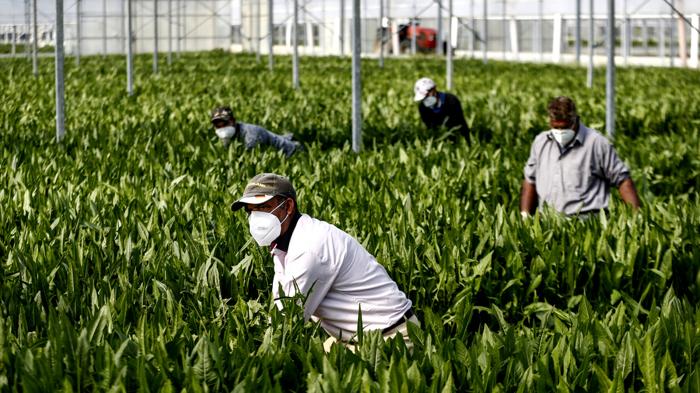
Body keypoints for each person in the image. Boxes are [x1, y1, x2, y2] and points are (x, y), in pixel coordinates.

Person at [231, 173, 419, 352]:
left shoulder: (309, 248)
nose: (255, 218)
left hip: (390, 337)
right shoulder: (288, 241)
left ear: (288, 206)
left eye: (263, 207)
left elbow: (287, 321)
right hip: (357, 336)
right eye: (251, 211)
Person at [520, 96, 641, 217]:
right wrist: (525, 215)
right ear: (550, 122)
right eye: (556, 127)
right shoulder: (541, 142)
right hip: (548, 221)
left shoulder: (596, 143)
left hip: (587, 221)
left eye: (565, 127)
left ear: (576, 120)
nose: (560, 132)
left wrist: (636, 217)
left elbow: (623, 180)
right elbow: (530, 180)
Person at [210, 106, 302, 157]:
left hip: (292, 152)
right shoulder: (227, 137)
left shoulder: (251, 134)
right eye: (218, 125)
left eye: (225, 123)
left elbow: (253, 159)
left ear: (233, 121)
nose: (222, 128)